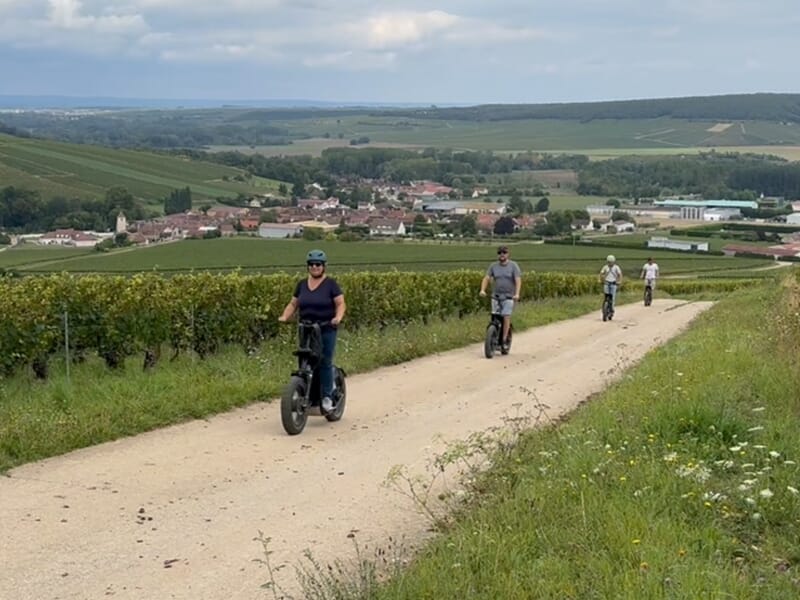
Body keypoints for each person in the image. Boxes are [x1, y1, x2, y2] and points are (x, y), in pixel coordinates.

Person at [278, 249, 346, 414]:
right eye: (311, 264)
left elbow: (340, 304)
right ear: (308, 266)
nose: (315, 267)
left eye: (318, 264)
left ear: (324, 266)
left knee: (324, 361)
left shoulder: (331, 284)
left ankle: (327, 397)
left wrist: (337, 318)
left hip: (325, 328)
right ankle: (307, 394)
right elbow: (293, 304)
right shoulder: (301, 285)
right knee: (305, 361)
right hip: (306, 329)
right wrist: (285, 316)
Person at [479, 245, 522, 350]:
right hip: (496, 296)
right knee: (494, 316)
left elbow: (517, 280)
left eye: (504, 253)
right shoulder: (493, 266)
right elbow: (487, 278)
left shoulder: (513, 266)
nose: (502, 255)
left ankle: (503, 340)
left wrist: (517, 294)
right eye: (500, 253)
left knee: (506, 316)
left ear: (508, 254)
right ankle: (492, 336)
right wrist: (482, 290)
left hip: (508, 297)